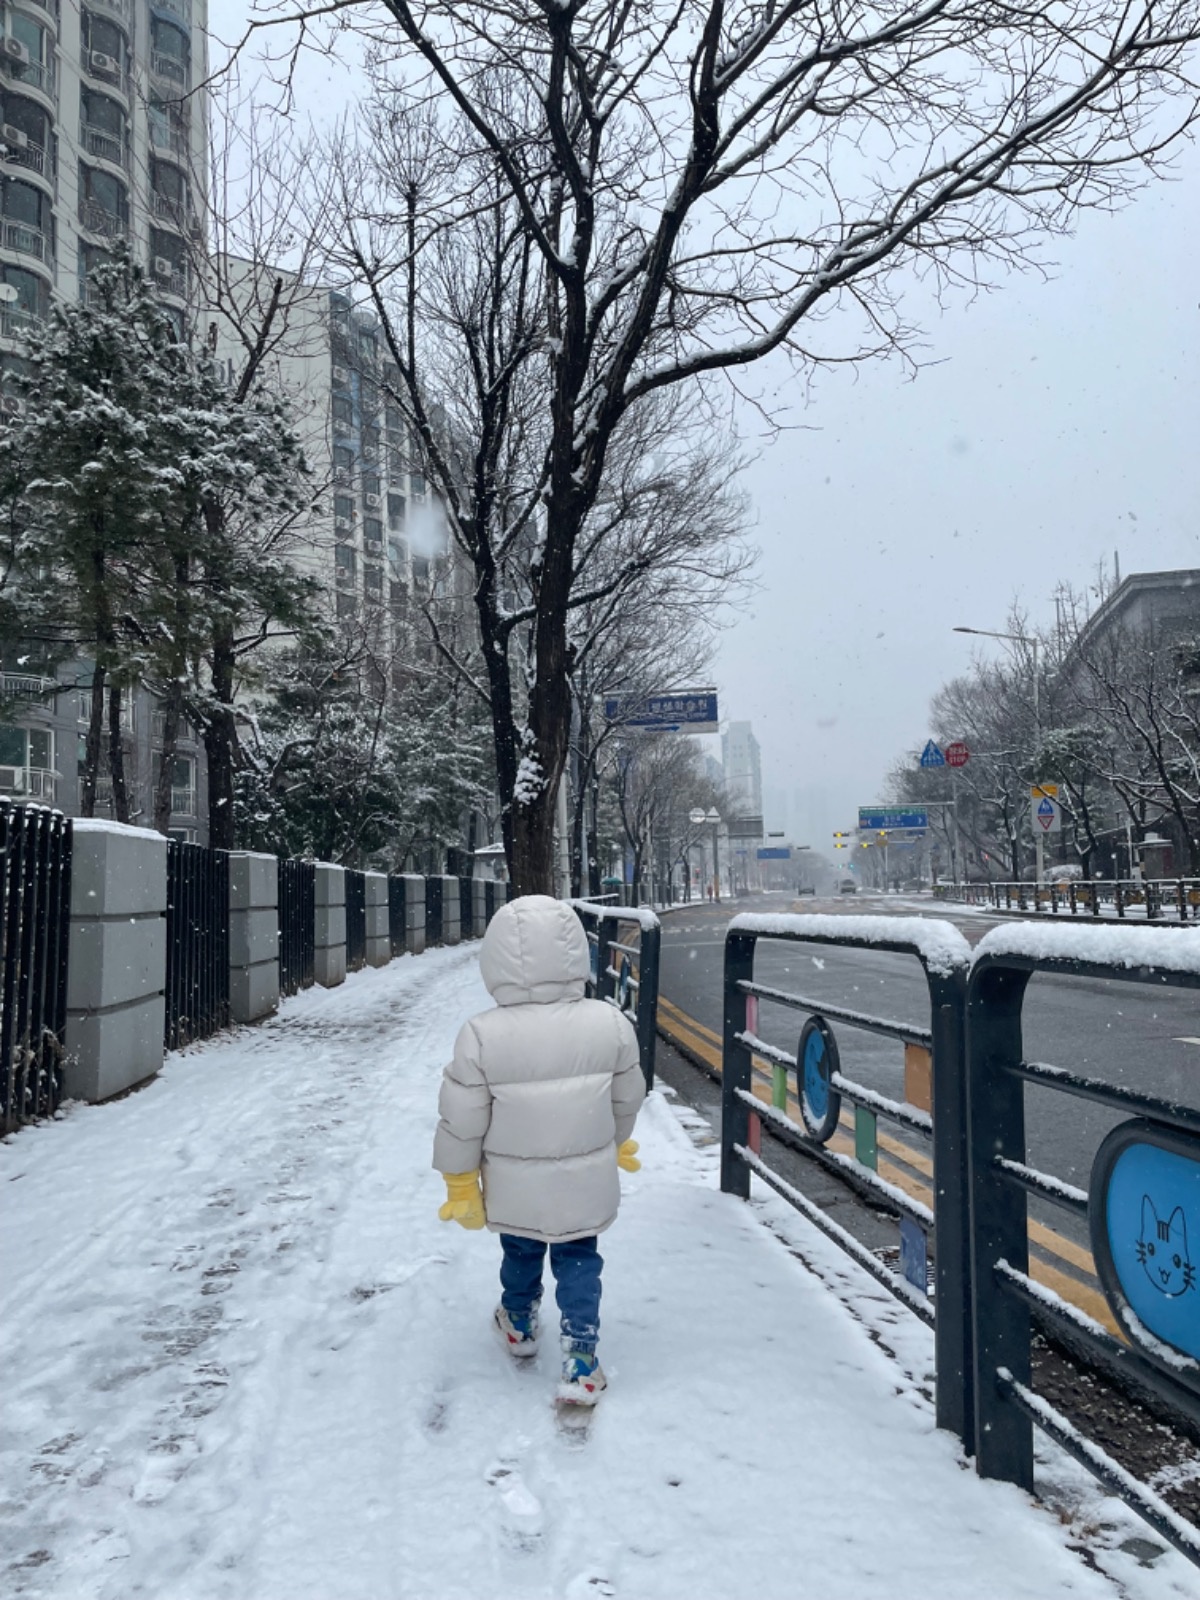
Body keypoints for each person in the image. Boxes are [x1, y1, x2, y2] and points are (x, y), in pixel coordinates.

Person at [433, 894, 645, 1406]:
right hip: (583, 1180)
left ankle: (520, 1321)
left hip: (514, 1183)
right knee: (579, 1258)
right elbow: (627, 1094)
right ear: (576, 954)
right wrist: (615, 1140)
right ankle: (581, 1357)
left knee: (521, 1248)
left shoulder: (481, 1035)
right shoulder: (609, 1023)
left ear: (496, 960)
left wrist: (460, 1180)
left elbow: (462, 1118)